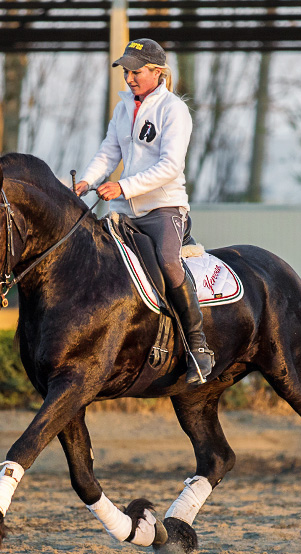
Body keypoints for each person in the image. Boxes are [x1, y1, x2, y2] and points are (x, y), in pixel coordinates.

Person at [74, 38, 214, 385]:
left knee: (168, 262)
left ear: (158, 72)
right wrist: (88, 180)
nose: (130, 78)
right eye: (126, 71)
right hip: (124, 209)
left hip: (163, 208)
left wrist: (122, 186)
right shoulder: (123, 109)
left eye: (136, 72)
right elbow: (109, 152)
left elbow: (170, 166)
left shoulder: (174, 110)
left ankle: (198, 347)